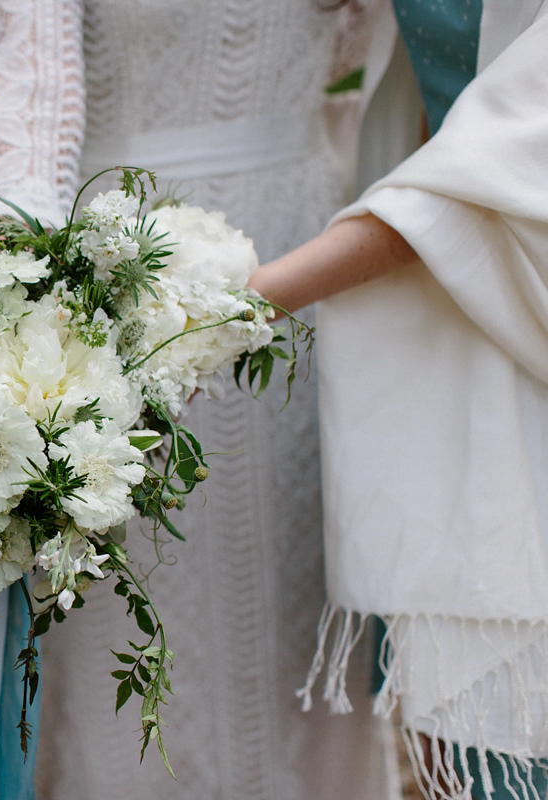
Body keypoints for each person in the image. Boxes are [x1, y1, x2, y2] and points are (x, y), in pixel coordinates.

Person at [0, 1, 397, 798]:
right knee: (134, 623)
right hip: (121, 274)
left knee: (296, 615)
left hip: (310, 261)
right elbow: (20, 119)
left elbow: (359, 61)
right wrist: (40, 345)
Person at [249, 4, 548, 799]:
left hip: (513, 272)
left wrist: (244, 296)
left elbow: (494, 167)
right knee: (466, 734)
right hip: (457, 328)